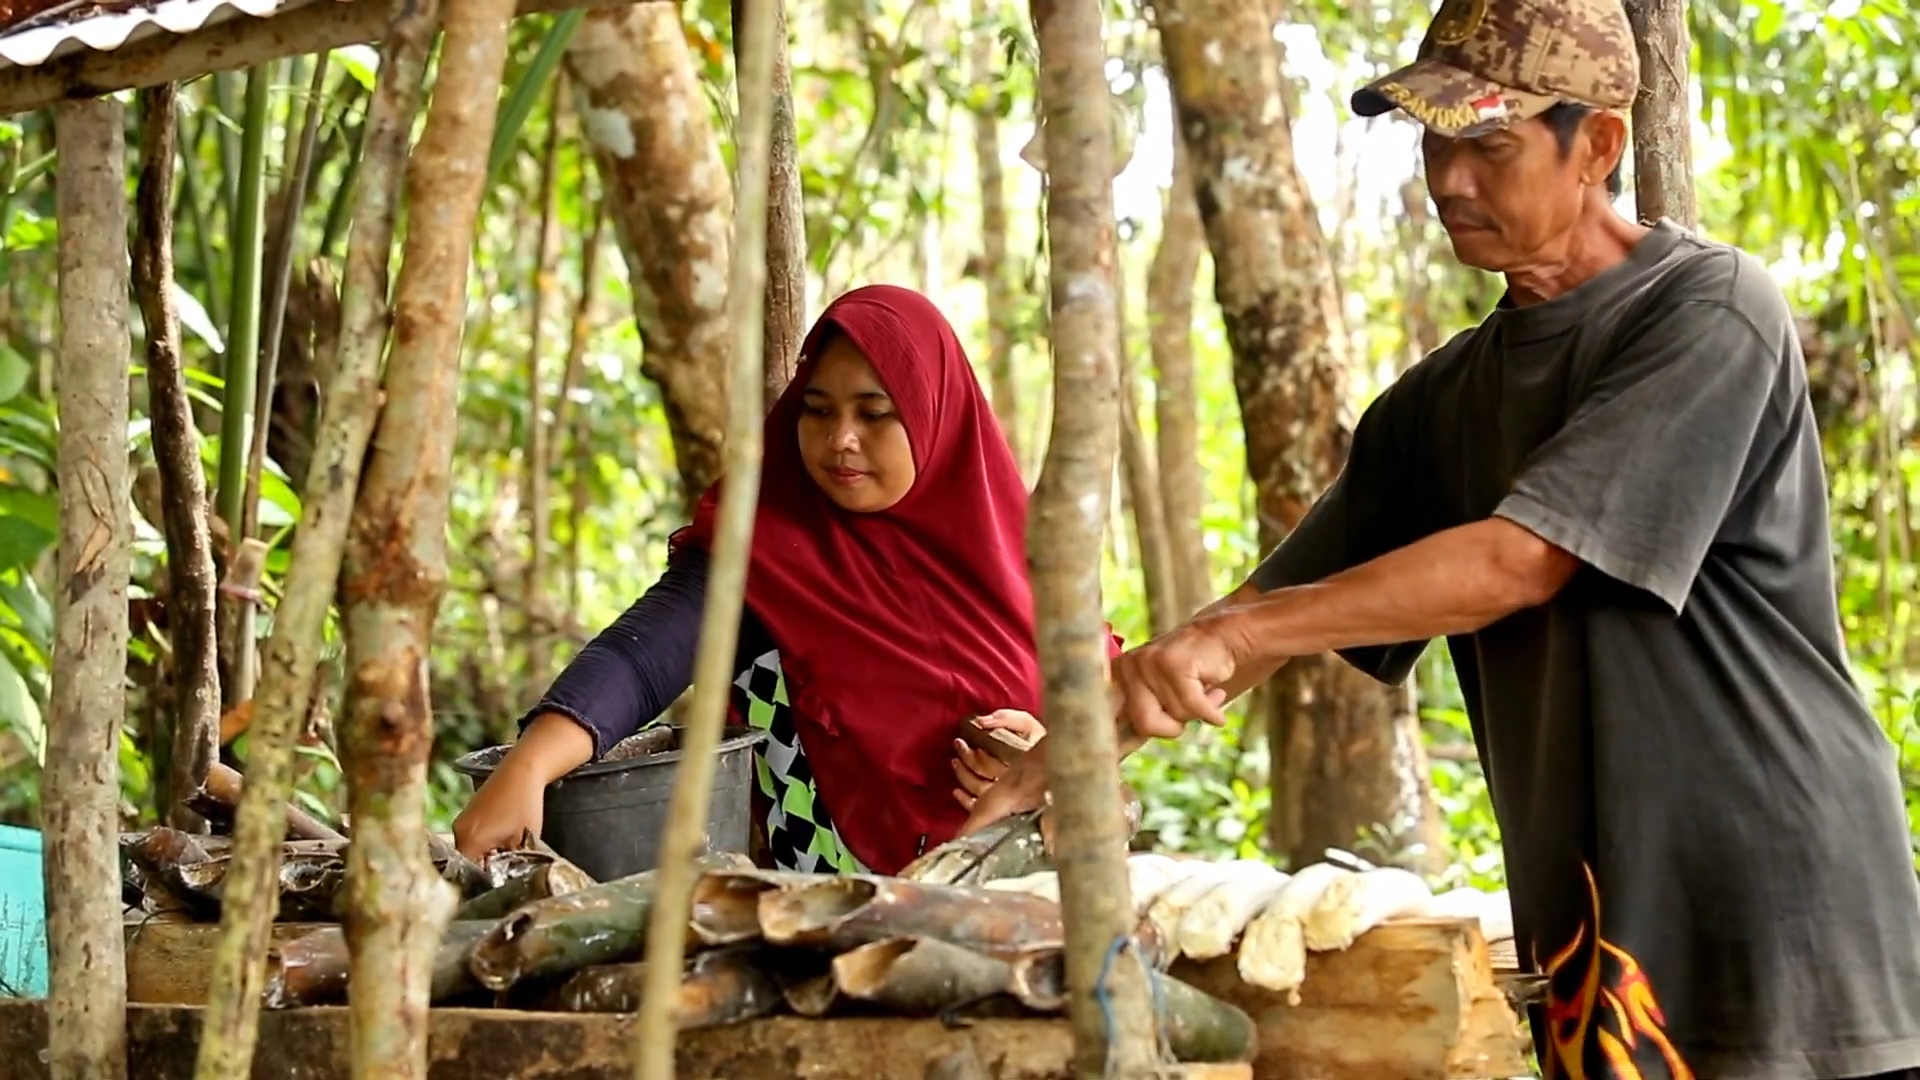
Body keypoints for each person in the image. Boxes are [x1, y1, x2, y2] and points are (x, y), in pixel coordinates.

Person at [964, 0, 1920, 1077]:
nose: (1450, 179)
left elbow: (1522, 559)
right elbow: (1251, 626)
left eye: (1490, 144)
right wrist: (1065, 761)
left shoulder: (1706, 309)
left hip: (1773, 885)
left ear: (1597, 145)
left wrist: (1237, 639)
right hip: (1597, 910)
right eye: (1434, 140)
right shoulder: (1439, 404)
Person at [455, 284, 1063, 876]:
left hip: (1038, 896)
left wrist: (1044, 752)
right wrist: (527, 767)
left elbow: (1099, 709)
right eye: (817, 409)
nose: (840, 439)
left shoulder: (1022, 552)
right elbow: (642, 658)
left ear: (937, 417)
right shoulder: (770, 548)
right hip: (845, 916)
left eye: (874, 413)